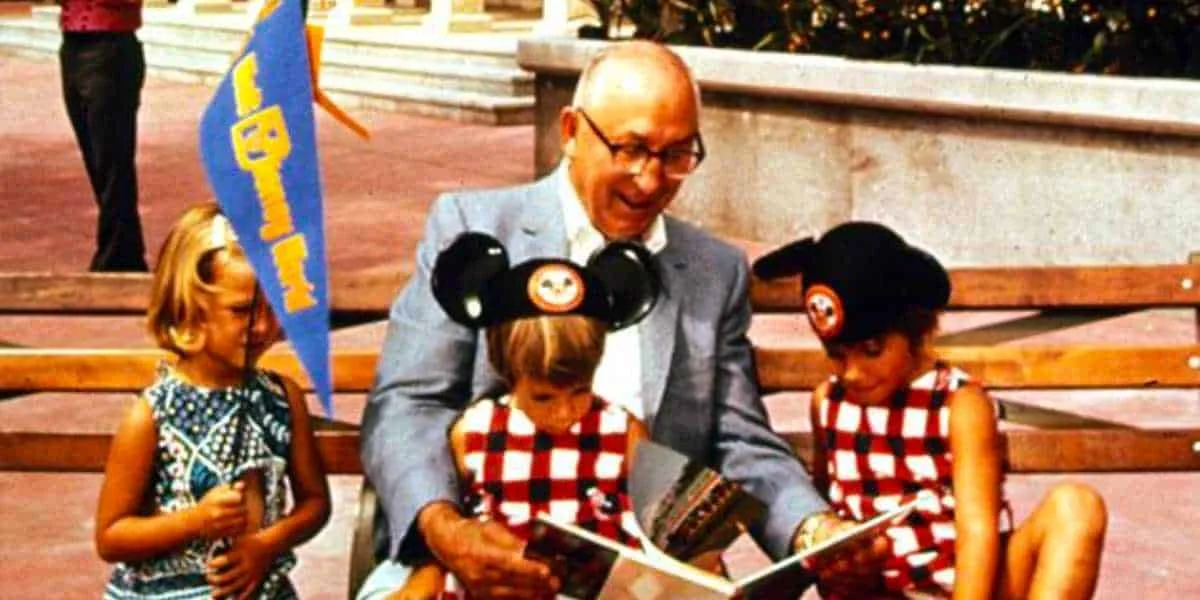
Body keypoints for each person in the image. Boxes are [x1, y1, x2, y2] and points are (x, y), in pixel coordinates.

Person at [358, 40, 884, 600]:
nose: (651, 179)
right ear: (571, 131)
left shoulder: (713, 270)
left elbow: (741, 442)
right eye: (631, 149)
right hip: (477, 560)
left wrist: (812, 528)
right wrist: (449, 533)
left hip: (644, 575)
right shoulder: (475, 228)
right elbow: (407, 404)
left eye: (677, 155)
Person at [752, 221, 1109, 599]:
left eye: (873, 350)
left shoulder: (957, 403)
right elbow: (824, 510)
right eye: (837, 356)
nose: (854, 372)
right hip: (882, 589)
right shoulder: (828, 403)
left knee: (1076, 506)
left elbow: (977, 529)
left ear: (914, 331)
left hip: (967, 583)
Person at [390, 232, 660, 599]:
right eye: (543, 397)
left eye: (579, 391)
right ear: (508, 373)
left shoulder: (620, 430)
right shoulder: (476, 432)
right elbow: (453, 522)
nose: (564, 412)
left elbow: (662, 522)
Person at [94, 203, 331, 599]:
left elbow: (315, 502)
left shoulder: (282, 397)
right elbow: (111, 536)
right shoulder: (154, 415)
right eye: (242, 311)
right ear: (190, 314)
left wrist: (266, 544)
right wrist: (195, 521)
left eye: (274, 308)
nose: (263, 326)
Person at [59, 0, 149, 272]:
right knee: (97, 163)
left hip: (110, 49)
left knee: (112, 162)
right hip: (72, 47)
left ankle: (114, 259)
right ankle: (127, 254)